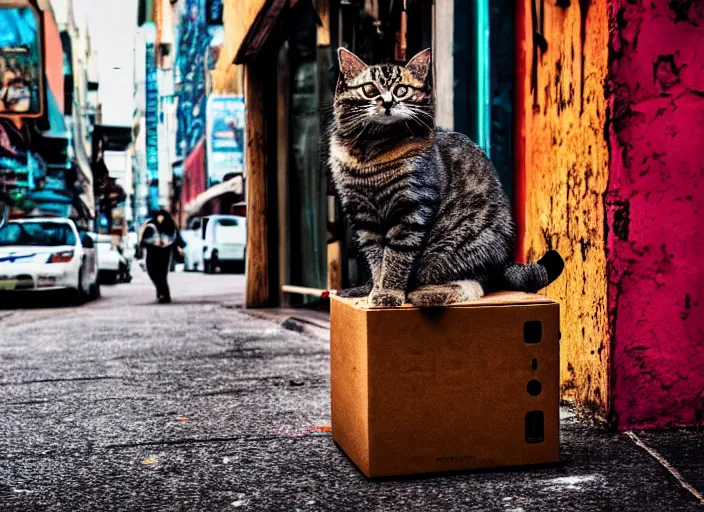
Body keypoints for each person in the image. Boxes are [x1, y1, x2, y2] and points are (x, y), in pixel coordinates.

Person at [138, 209, 185, 303]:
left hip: (163, 252)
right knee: (156, 274)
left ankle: (164, 294)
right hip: (154, 251)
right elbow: (142, 239)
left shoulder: (168, 224)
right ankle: (162, 293)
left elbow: (177, 238)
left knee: (160, 274)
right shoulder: (150, 224)